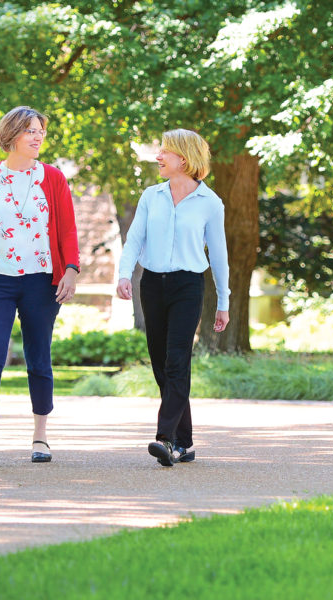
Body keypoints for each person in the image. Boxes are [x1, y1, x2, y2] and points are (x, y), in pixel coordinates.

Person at [0, 106, 79, 467]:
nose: (38, 137)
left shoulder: (53, 178)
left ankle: (41, 436)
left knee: (39, 357)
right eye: (31, 131)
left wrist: (70, 269)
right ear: (11, 136)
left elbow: (67, 229)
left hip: (41, 281)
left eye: (41, 131)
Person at [116, 129, 229, 467]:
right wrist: (124, 274)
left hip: (187, 286)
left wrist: (224, 301)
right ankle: (185, 442)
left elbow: (220, 256)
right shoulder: (152, 196)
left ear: (184, 158)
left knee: (177, 360)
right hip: (152, 285)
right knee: (161, 363)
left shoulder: (210, 203)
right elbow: (135, 239)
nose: (158, 157)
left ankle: (164, 438)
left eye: (164, 151)